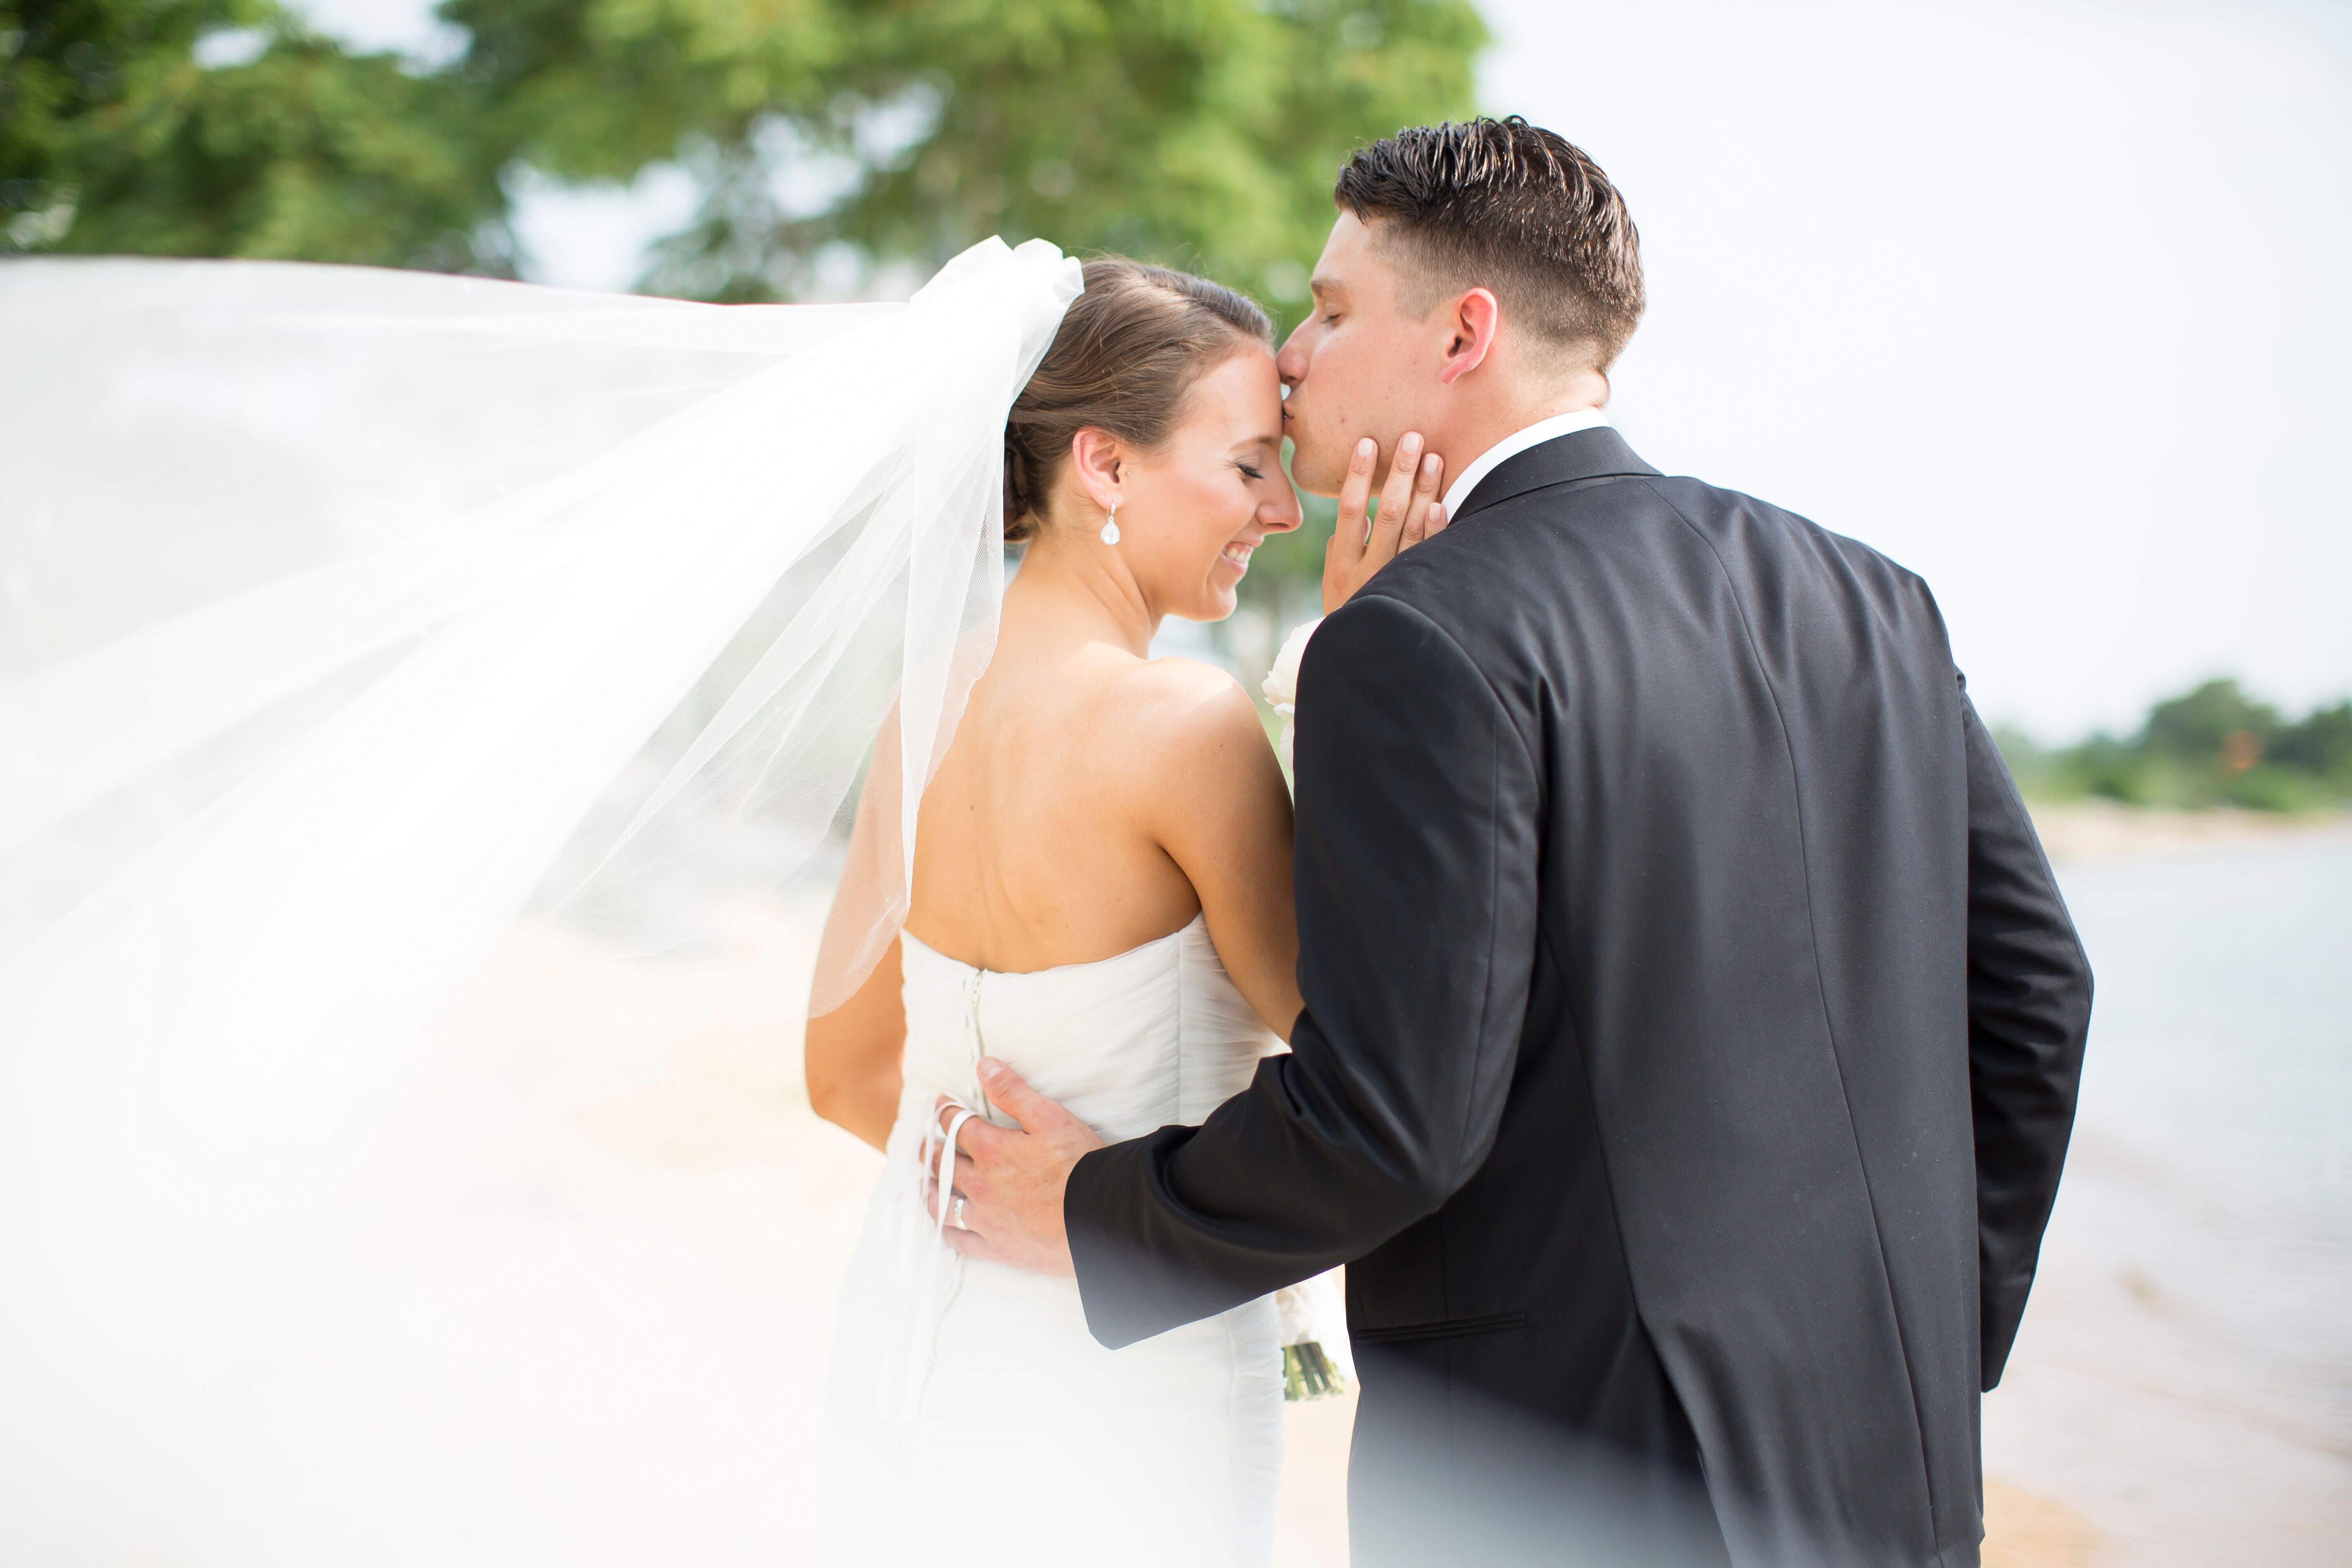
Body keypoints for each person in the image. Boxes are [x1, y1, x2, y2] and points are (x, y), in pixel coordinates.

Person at [934, 118, 2095, 1567]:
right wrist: (1935, 1333)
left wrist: (1098, 1214)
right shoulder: (1871, 596)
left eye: (1334, 307)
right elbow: (2039, 995)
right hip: (1897, 1475)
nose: (1294, 354)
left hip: (1572, 1482)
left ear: (1464, 332)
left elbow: (1395, 1123)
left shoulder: (1417, 637)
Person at [801, 259, 1445, 1566]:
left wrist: (998, 1198)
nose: (1281, 508)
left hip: (917, 1335)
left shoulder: (922, 705)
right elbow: (1353, 1044)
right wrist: (1357, 673)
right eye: (1248, 463)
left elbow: (842, 1072)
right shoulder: (1185, 723)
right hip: (1120, 1373)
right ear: (1103, 464)